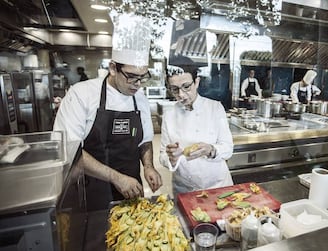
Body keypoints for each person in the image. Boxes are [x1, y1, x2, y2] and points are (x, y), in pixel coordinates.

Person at [53, 12, 162, 211]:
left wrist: (148, 166)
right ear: (113, 68)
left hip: (130, 189)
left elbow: (145, 140)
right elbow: (70, 150)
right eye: (131, 77)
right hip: (90, 191)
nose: (137, 85)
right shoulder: (82, 94)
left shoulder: (140, 99)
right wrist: (115, 177)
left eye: (142, 78)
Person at [159, 56, 234, 196]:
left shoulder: (215, 108)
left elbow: (228, 148)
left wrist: (211, 149)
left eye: (186, 87)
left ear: (197, 82)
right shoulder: (169, 114)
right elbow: (163, 155)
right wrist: (171, 157)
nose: (181, 95)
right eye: (175, 89)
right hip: (185, 190)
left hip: (217, 187)